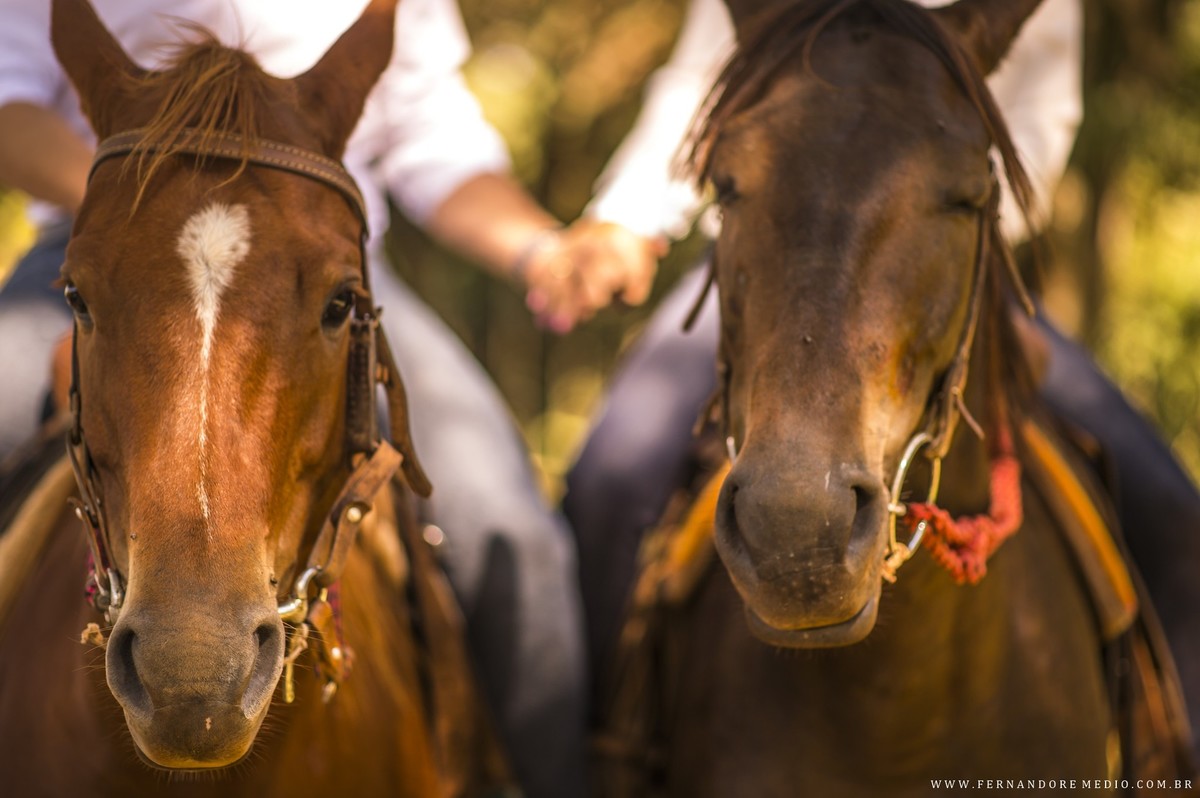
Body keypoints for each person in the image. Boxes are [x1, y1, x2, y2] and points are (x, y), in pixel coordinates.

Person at [0, 1, 647, 794]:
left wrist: (540, 249)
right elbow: (10, 99)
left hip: (310, 261)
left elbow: (431, 136)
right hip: (106, 242)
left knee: (506, 531)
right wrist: (147, 188)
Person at [562, 0, 1200, 742]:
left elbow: (1039, 114)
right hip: (771, 251)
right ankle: (595, 753)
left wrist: (946, 212)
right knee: (611, 474)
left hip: (934, 251)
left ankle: (1173, 756)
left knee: (1169, 509)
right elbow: (700, 80)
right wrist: (629, 217)